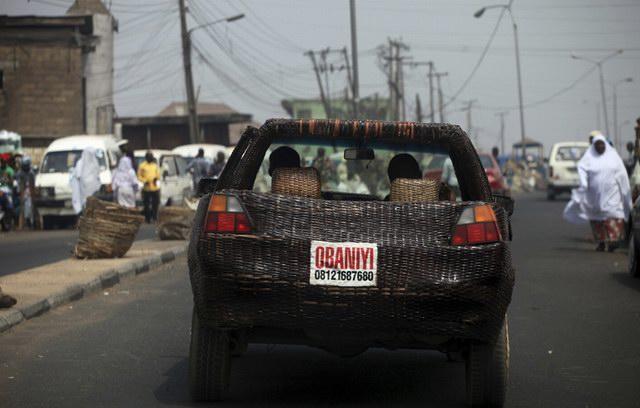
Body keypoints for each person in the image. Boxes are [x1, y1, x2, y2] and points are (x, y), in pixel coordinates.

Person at [563, 134, 632, 252]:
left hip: (612, 194)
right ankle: (601, 242)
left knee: (613, 215)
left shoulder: (614, 157)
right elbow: (582, 168)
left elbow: (623, 176)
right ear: (594, 146)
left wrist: (625, 192)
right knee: (597, 219)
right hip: (594, 196)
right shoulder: (589, 158)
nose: (600, 146)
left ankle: (613, 242)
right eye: (597, 144)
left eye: (602, 144)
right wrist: (584, 184)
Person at [70, 147, 101, 215]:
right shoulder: (81, 163)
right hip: (84, 189)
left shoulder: (94, 162)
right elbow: (78, 176)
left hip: (91, 189)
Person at [137, 151, 161, 223]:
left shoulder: (155, 165)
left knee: (155, 203)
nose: (151, 158)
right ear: (146, 157)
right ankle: (148, 218)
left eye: (151, 157)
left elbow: (158, 175)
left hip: (155, 187)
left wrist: (156, 178)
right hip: (146, 188)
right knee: (146, 204)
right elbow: (139, 176)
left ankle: (154, 217)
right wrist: (144, 180)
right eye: (149, 157)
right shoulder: (142, 166)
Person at [15, 156, 35, 229]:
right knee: (22, 208)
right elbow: (18, 184)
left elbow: (33, 184)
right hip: (21, 192)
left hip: (30, 191)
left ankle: (32, 222)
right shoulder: (19, 173)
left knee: (31, 207)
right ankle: (21, 224)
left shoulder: (31, 173)